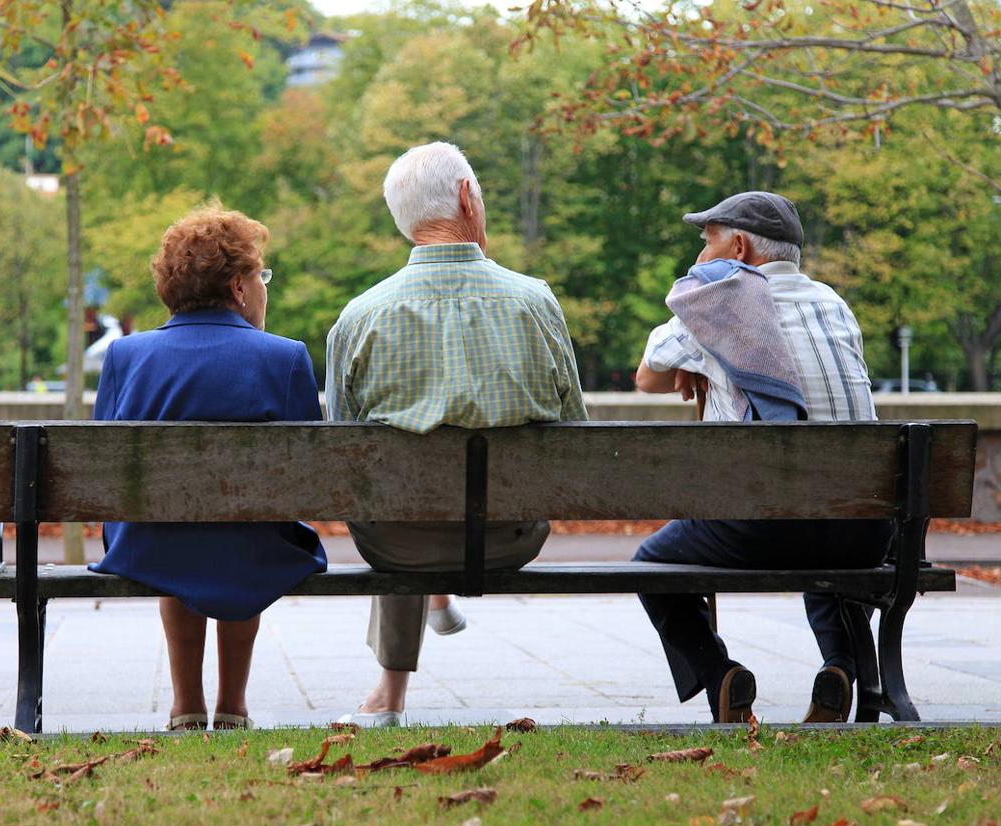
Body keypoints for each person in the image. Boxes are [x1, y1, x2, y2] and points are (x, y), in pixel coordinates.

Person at [326, 141, 587, 726]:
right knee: (414, 500)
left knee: (396, 504)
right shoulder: (536, 303)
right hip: (510, 537)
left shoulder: (359, 317)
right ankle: (429, 618)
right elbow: (577, 435)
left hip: (398, 543)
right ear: (469, 197)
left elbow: (343, 458)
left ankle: (390, 693)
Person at [633, 191, 890, 724]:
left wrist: (699, 348)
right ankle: (840, 667)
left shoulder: (721, 299)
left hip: (762, 527)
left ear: (740, 247)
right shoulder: (834, 305)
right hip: (865, 529)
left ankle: (719, 673)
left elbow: (647, 378)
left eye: (708, 243)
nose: (701, 256)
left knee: (652, 564)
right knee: (822, 523)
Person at [89, 205, 327, 732]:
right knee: (246, 531)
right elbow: (307, 480)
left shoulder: (125, 357)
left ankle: (186, 705)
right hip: (254, 545)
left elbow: (105, 473)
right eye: (261, 275)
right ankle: (234, 706)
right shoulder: (285, 358)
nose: (264, 287)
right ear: (239, 288)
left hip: (149, 545)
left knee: (175, 535)